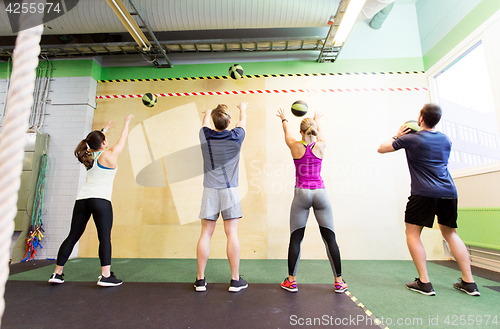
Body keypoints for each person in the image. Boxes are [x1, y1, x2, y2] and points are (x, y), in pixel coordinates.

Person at [378, 103, 480, 296]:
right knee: (451, 234)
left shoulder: (410, 139)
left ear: (421, 118)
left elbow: (381, 148)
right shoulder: (446, 140)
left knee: (413, 233)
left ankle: (424, 282)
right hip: (449, 192)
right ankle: (469, 282)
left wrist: (398, 135)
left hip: (423, 193)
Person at [49, 114, 134, 287]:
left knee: (73, 236)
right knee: (104, 238)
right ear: (103, 143)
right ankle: (105, 276)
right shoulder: (108, 156)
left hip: (82, 200)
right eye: (105, 139)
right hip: (101, 201)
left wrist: (104, 131)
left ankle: (57, 273)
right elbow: (122, 141)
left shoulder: (87, 157)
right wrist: (126, 123)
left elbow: (94, 143)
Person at [276, 108, 347, 294]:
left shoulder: (294, 146)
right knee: (330, 237)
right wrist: (317, 120)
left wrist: (284, 118)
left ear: (301, 132)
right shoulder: (322, 145)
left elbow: (286, 132)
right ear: (314, 130)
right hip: (320, 194)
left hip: (301, 194)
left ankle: (291, 281)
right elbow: (320, 134)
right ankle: (339, 281)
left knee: (296, 238)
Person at [195, 102, 248, 293]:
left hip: (210, 190)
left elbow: (204, 125)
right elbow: (242, 122)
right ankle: (235, 280)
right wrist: (243, 109)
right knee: (231, 233)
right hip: (230, 190)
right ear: (229, 122)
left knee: (205, 233)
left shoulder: (205, 136)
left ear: (213, 122)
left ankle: (200, 280)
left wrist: (207, 113)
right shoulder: (236, 136)